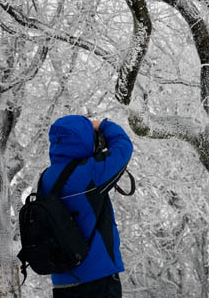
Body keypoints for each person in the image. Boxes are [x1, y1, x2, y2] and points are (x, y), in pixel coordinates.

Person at [40, 114, 133, 298]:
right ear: (83, 140)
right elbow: (123, 147)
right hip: (97, 279)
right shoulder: (90, 172)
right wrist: (104, 125)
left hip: (62, 281)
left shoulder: (45, 177)